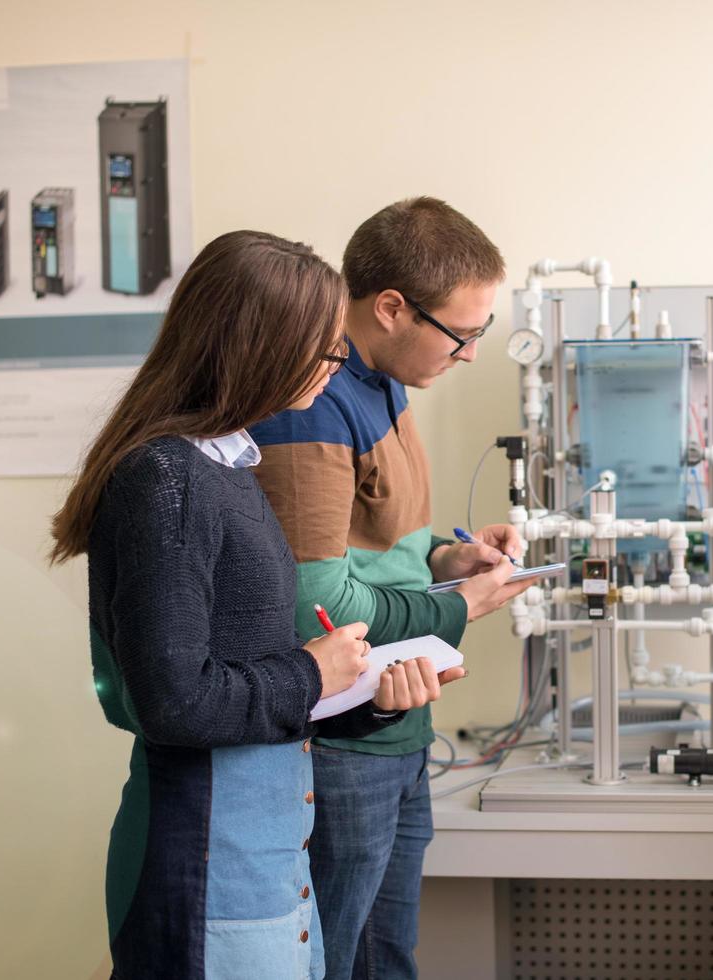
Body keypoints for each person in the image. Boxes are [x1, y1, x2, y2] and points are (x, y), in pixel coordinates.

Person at [49, 230, 463, 980]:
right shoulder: (164, 480)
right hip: (206, 853)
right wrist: (312, 673)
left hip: (268, 848)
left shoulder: (226, 466)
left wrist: (368, 699)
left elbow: (250, 675)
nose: (336, 367)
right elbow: (174, 701)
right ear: (256, 348)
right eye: (322, 349)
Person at [249, 198, 526, 980]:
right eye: (463, 333)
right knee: (340, 961)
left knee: (387, 958)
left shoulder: (387, 378)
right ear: (392, 308)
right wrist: (456, 608)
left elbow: (377, 546)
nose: (471, 353)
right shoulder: (314, 400)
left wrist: (449, 559)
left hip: (399, 726)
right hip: (343, 745)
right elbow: (313, 604)